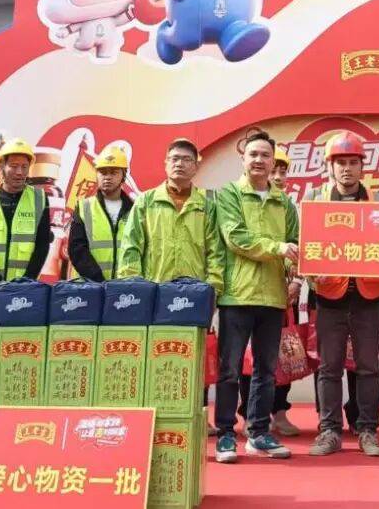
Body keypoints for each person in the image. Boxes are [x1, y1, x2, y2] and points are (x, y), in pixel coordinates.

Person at [213, 131, 300, 462]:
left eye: (265, 155)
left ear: (273, 161)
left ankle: (259, 433)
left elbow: (295, 242)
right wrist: (278, 248)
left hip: (273, 296)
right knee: (229, 369)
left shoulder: (284, 202)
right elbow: (235, 237)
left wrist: (298, 273)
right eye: (253, 155)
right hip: (237, 295)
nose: (259, 161)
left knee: (266, 370)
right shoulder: (229, 195)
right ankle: (225, 433)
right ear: (243, 159)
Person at [306, 131, 379, 457]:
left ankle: (368, 429)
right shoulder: (316, 201)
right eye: (340, 162)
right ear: (330, 166)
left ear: (362, 166)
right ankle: (329, 430)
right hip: (330, 296)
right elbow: (306, 248)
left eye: (353, 162)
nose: (347, 169)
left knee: (368, 366)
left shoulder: (378, 201)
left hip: (369, 295)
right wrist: (311, 275)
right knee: (329, 367)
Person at [236, 146, 303, 438]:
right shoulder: (239, 199)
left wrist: (296, 280)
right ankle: (248, 414)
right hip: (246, 290)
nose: (277, 176)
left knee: (283, 354)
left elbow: (296, 245)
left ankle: (279, 411)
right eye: (273, 171)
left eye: (281, 171)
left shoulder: (287, 206)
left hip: (281, 291)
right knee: (247, 358)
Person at [118, 138, 224, 292]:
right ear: (166, 164)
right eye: (174, 159)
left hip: (195, 292)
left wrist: (213, 289)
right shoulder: (146, 201)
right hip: (154, 291)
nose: (179, 164)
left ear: (196, 167)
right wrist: (133, 287)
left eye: (186, 159)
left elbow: (216, 253)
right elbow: (131, 246)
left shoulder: (207, 206)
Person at [0, 138, 53, 283]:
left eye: (24, 166)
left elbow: (42, 244)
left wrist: (26, 281)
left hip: (22, 287)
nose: (20, 172)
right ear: (2, 167)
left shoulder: (39, 200)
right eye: (14, 166)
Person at [68, 144, 133, 281]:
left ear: (123, 176)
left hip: (124, 287)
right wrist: (98, 280)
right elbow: (76, 250)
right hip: (89, 287)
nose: (107, 177)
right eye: (103, 172)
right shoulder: (83, 207)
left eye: (113, 172)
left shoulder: (135, 210)